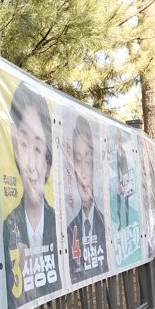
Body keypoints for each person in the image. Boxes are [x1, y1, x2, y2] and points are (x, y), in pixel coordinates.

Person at [2, 83, 62, 309]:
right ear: (15, 150)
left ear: (48, 158)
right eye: (24, 145)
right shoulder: (8, 225)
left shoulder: (59, 225)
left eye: (38, 149)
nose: (31, 166)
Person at [66, 116, 108, 282]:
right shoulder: (69, 229)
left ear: (95, 167)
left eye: (88, 162)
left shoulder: (106, 225)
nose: (82, 173)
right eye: (77, 161)